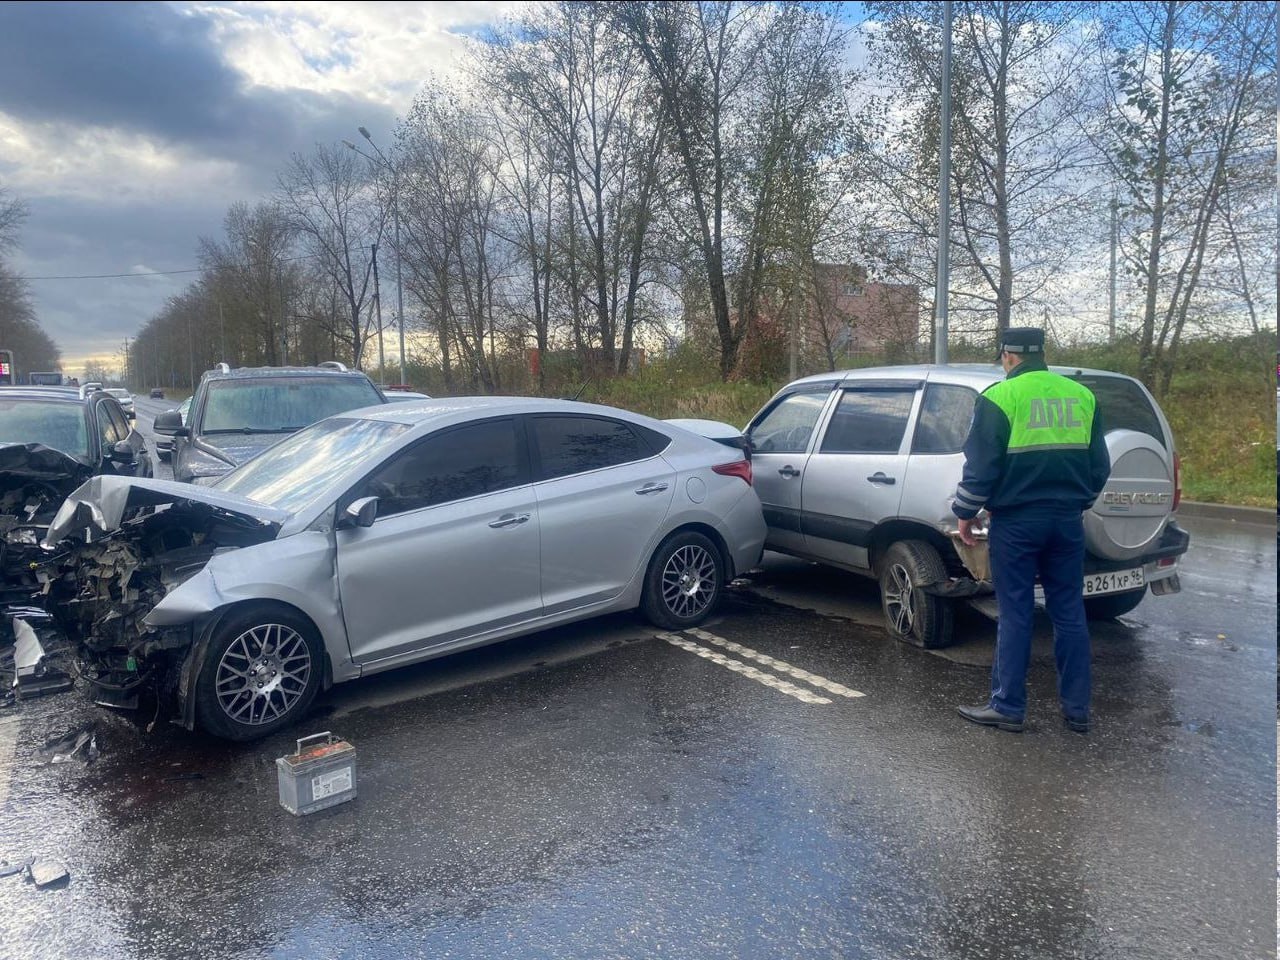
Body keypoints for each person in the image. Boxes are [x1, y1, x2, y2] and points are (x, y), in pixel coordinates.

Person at [952, 328, 1111, 734]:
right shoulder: (1081, 396)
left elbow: (981, 466)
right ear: (1041, 353)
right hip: (1066, 521)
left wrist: (965, 512)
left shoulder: (1000, 397)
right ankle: (1077, 711)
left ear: (1007, 356)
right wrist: (1078, 501)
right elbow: (1099, 466)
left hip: (1018, 523)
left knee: (1017, 612)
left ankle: (1008, 707)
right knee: (1070, 612)